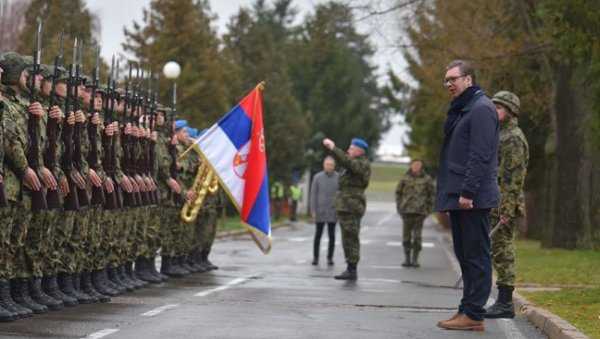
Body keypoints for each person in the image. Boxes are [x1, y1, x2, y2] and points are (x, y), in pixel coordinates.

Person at [434, 60, 499, 331]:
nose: (449, 83)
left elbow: (480, 155)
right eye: (446, 80)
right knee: (465, 254)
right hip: (461, 196)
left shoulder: (481, 109)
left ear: (469, 80)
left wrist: (467, 192)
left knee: (476, 255)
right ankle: (467, 308)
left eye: (453, 79)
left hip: (472, 197)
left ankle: (474, 313)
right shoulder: (465, 109)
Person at [485, 91, 529, 319]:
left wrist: (507, 209)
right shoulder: (501, 134)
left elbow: (514, 177)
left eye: (499, 107)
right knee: (497, 250)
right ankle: (501, 300)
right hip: (496, 201)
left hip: (505, 204)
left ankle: (505, 302)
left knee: (503, 250)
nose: (495, 110)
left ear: (510, 110)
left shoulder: (513, 137)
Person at [322, 137, 370, 281]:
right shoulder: (353, 163)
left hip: (353, 206)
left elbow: (348, 163)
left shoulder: (362, 164)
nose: (348, 150)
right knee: (346, 238)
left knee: (351, 237)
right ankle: (350, 267)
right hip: (345, 205)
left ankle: (352, 269)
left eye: (351, 148)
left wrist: (333, 148)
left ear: (359, 151)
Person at [395, 159, 435, 268]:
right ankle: (407, 259)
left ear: (421, 166)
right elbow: (398, 193)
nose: (415, 166)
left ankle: (415, 259)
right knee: (406, 237)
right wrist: (399, 207)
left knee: (417, 237)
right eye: (414, 164)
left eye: (418, 165)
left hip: (420, 212)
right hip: (406, 211)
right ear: (410, 166)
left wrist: (429, 209)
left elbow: (431, 194)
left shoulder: (426, 179)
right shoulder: (404, 178)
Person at [309, 156, 339, 266]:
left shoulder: (338, 178)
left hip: (333, 211)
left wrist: (339, 210)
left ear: (334, 166)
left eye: (331, 165)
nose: (329, 167)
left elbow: (340, 195)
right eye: (327, 164)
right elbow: (313, 195)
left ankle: (330, 257)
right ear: (324, 165)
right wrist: (313, 210)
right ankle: (315, 257)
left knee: (332, 236)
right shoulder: (317, 177)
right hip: (320, 210)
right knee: (318, 235)